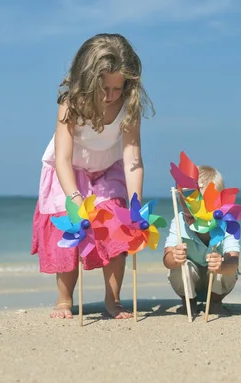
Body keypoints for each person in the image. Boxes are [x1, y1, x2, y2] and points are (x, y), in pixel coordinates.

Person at [31, 33, 154, 319]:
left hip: (107, 167)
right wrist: (75, 198)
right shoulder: (70, 104)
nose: (111, 96)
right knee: (69, 226)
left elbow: (132, 158)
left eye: (117, 88)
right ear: (87, 80)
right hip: (68, 170)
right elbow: (62, 158)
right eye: (104, 88)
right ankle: (64, 300)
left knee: (117, 223)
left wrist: (136, 205)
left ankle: (113, 300)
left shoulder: (127, 107)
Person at [163, 166, 240, 315]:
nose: (191, 215)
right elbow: (167, 260)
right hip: (190, 282)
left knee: (227, 265)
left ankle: (215, 302)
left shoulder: (225, 223)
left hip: (216, 284)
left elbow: (234, 262)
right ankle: (188, 302)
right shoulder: (179, 221)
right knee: (180, 266)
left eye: (194, 214)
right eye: (187, 213)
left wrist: (222, 266)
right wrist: (174, 257)